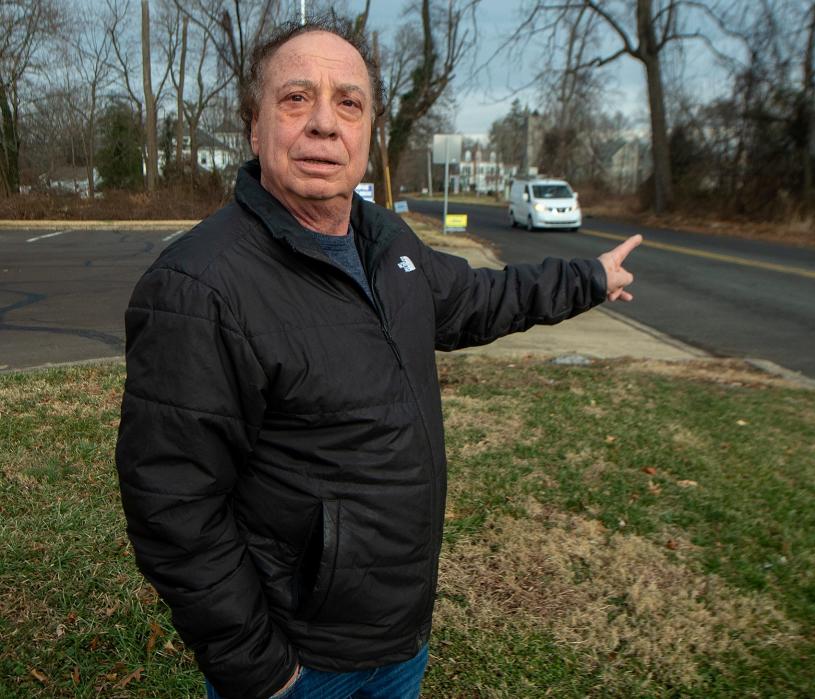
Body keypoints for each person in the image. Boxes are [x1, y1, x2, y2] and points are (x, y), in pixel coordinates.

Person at [115, 15, 643, 699]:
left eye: (348, 102)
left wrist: (589, 279)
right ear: (254, 127)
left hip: (399, 643)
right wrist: (261, 669)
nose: (325, 124)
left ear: (367, 133)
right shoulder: (199, 285)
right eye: (296, 97)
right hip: (300, 664)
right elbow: (171, 503)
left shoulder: (387, 243)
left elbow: (480, 299)